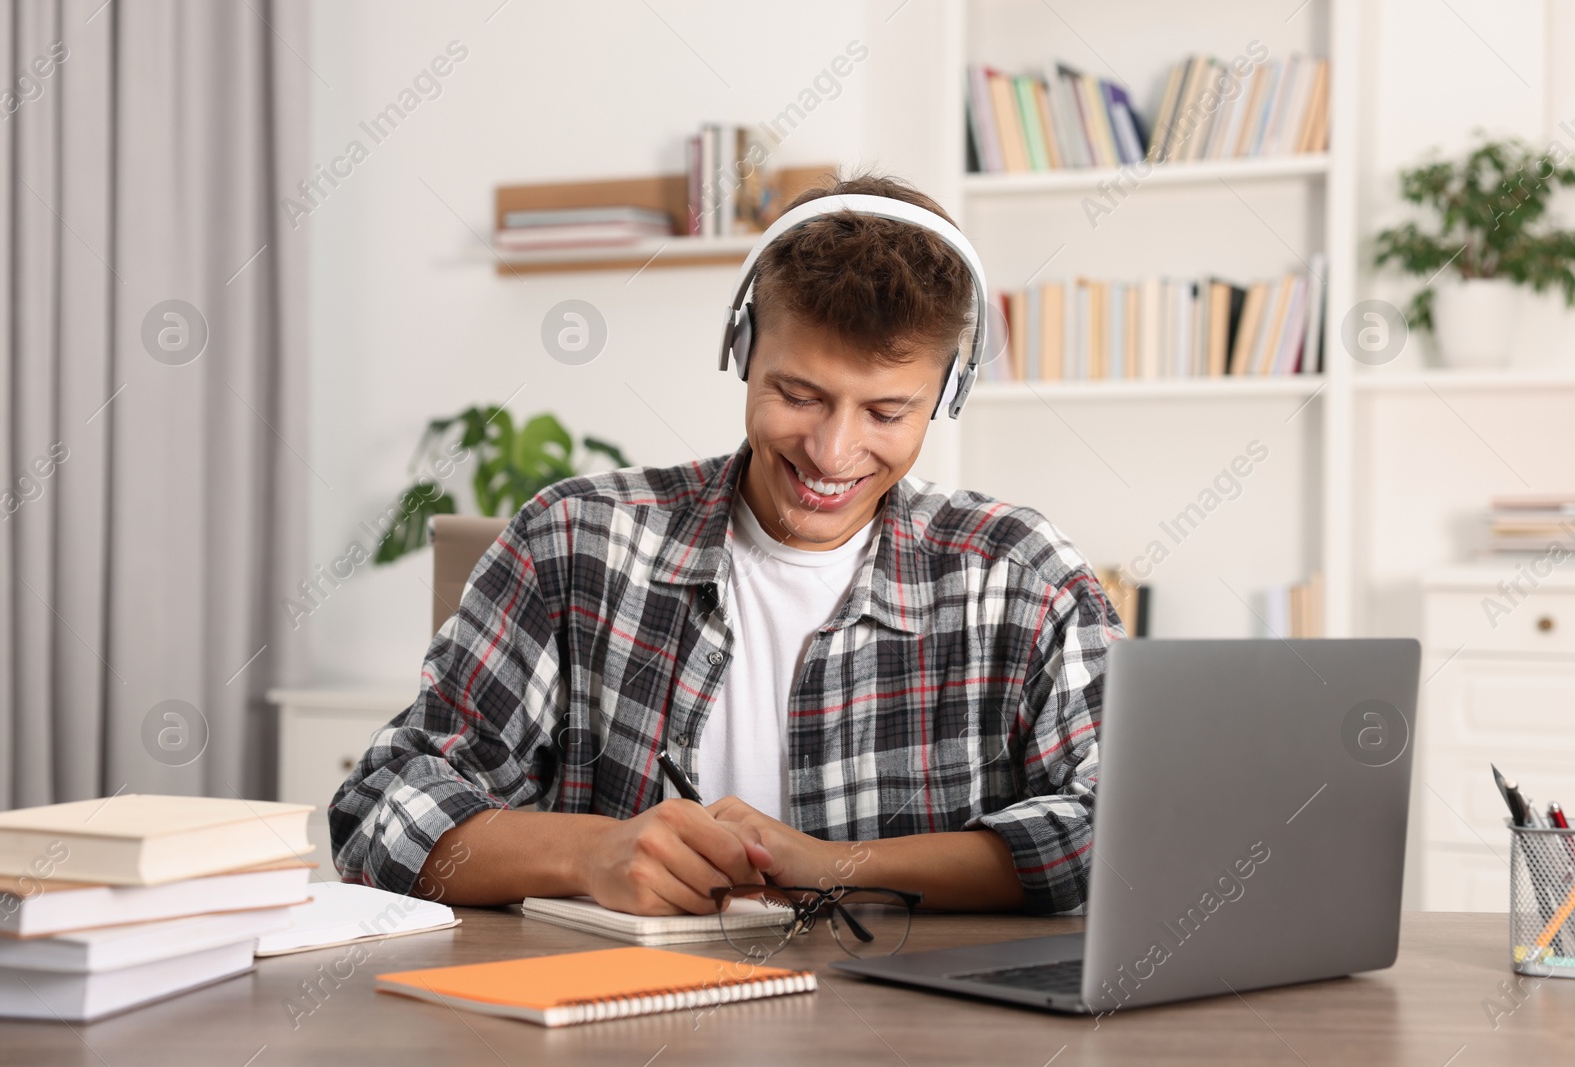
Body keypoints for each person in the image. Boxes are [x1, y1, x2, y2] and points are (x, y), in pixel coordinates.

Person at [329, 172, 1123, 917]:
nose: (833, 450)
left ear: (947, 394)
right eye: (798, 395)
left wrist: (832, 862)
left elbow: (1120, 823)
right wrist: (591, 853)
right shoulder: (573, 543)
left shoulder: (1023, 577)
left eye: (886, 413)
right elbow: (381, 810)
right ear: (742, 354)